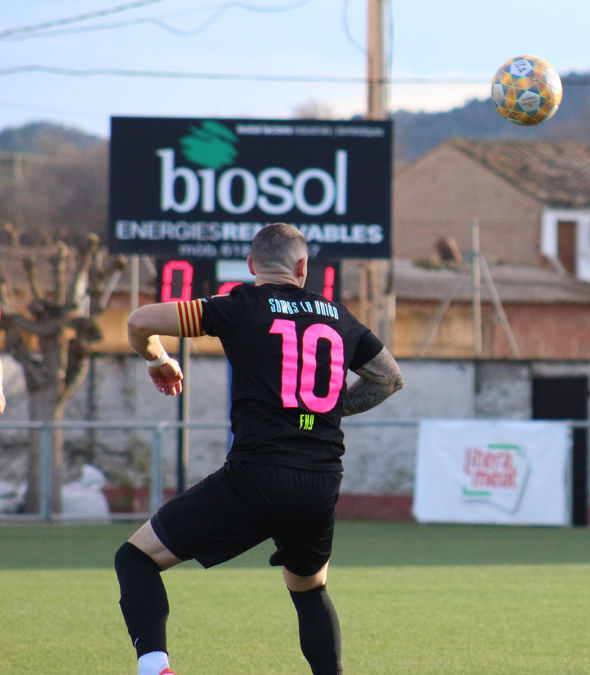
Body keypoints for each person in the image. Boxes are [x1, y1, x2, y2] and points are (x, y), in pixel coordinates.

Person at [114, 223, 405, 675]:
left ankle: (155, 669)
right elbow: (389, 378)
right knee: (309, 591)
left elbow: (139, 321)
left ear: (252, 267)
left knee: (135, 558)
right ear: (303, 267)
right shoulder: (338, 316)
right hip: (320, 481)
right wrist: (322, 409)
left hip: (257, 476)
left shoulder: (239, 306)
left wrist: (159, 360)